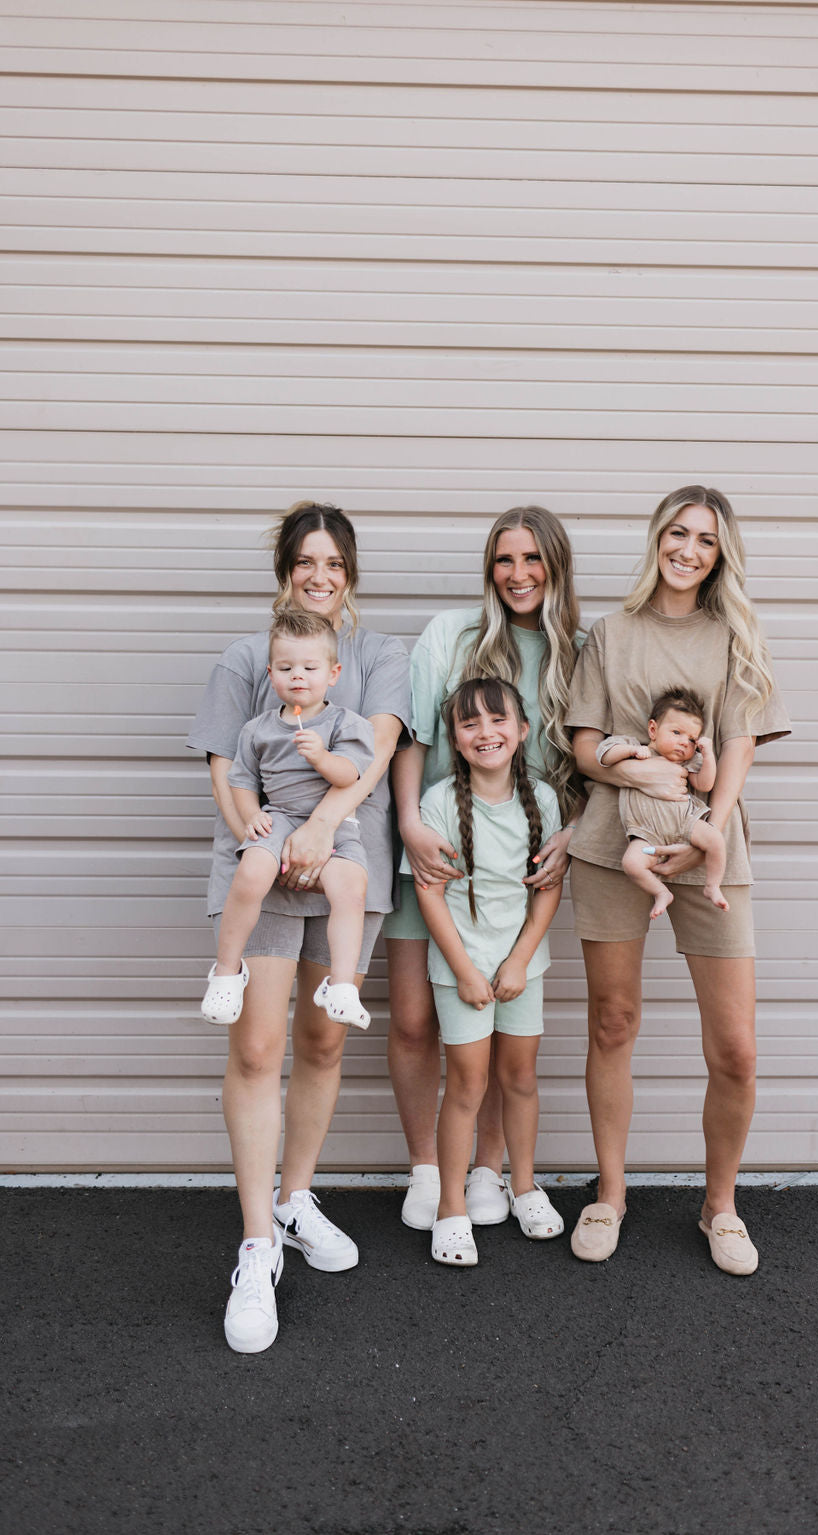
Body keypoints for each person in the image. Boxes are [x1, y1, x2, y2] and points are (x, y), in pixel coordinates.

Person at [187, 502, 410, 1353]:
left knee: (323, 1043)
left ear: (350, 572)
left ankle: (295, 1198)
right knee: (255, 1048)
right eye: (305, 562)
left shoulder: (380, 656)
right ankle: (255, 1246)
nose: (320, 576)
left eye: (335, 563)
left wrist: (323, 829)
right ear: (284, 570)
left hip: (347, 859)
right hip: (266, 864)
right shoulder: (249, 658)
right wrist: (270, 838)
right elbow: (224, 767)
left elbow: (380, 749)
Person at [565, 486, 790, 1274]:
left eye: (705, 539)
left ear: (721, 553)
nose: (688, 549)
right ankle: (612, 1193)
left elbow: (739, 746)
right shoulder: (612, 633)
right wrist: (626, 761)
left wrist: (707, 836)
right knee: (613, 1022)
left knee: (736, 1050)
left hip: (709, 849)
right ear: (657, 537)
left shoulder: (734, 637)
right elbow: (584, 746)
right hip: (614, 845)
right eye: (677, 532)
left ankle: (720, 1206)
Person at [384, 506, 583, 1233]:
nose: (519, 573)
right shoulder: (452, 634)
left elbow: (590, 762)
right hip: (435, 859)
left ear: (556, 565)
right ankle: (428, 1170)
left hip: (516, 874)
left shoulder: (577, 650)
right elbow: (413, 736)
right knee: (413, 1019)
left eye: (534, 558)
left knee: (501, 1024)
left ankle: (490, 1169)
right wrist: (409, 824)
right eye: (505, 559)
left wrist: (579, 831)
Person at [410, 678, 565, 1266]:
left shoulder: (543, 801)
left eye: (497, 720)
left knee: (520, 1077)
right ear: (454, 737)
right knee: (469, 1084)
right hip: (462, 969)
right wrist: (465, 970)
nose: (485, 733)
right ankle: (452, 1207)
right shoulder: (440, 802)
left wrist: (521, 959)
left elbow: (548, 888)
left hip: (522, 966)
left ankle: (521, 1186)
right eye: (469, 723)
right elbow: (429, 894)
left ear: (522, 731)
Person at [201, 609, 375, 1031]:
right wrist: (250, 817)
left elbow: (351, 775)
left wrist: (321, 756)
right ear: (271, 674)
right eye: (286, 668)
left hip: (335, 826)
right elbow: (239, 780)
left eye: (310, 668)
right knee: (251, 871)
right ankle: (227, 971)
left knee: (350, 888)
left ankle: (341, 985)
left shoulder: (345, 724)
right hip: (278, 817)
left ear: (332, 674)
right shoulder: (257, 730)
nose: (298, 676)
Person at [597, 686, 728, 917]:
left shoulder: (687, 763)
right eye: (676, 732)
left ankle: (713, 886)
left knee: (716, 839)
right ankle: (661, 892)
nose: (683, 743)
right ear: (653, 729)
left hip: (684, 823)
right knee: (632, 863)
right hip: (646, 832)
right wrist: (632, 751)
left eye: (691, 739)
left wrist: (708, 756)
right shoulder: (632, 749)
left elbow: (705, 785)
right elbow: (604, 756)